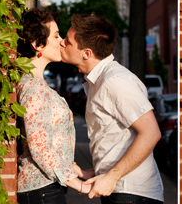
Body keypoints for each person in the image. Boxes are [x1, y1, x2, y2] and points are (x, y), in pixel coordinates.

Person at [59, 14, 164, 203]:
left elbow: (151, 133)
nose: (61, 43)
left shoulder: (114, 80)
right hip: (121, 190)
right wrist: (92, 171)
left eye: (68, 41)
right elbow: (114, 137)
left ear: (87, 53)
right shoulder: (99, 80)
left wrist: (111, 176)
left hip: (132, 193)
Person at [15, 8, 93, 204]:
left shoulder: (37, 84)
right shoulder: (33, 88)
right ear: (37, 44)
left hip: (46, 188)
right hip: (41, 190)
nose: (61, 41)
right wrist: (79, 185)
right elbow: (39, 147)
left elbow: (52, 142)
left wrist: (80, 171)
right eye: (56, 35)